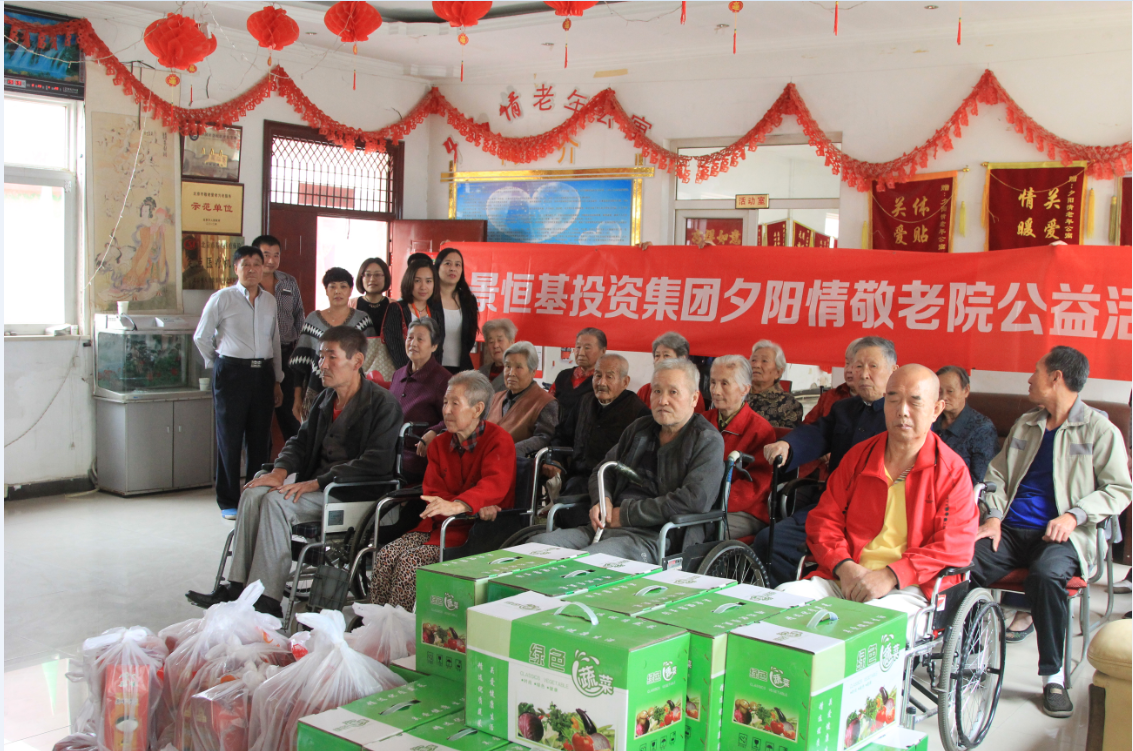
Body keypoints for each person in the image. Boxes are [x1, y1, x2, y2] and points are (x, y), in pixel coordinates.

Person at [187, 327, 403, 616]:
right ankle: (237, 587)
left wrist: (316, 483)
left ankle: (266, 601)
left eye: (331, 357)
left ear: (357, 361)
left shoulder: (382, 404)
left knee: (277, 503)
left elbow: (376, 462)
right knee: (253, 492)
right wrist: (280, 471)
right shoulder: (326, 400)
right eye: (320, 357)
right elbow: (300, 442)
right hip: (319, 489)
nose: (322, 365)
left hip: (353, 494)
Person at [968, 346, 1132, 718]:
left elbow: (1120, 489)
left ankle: (1053, 677)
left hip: (1065, 536)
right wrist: (993, 517)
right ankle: (967, 650)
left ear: (1056, 377)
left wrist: (1075, 515)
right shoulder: (1027, 424)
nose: (1030, 379)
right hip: (1010, 530)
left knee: (1045, 576)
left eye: (1036, 371)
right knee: (964, 562)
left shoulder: (1099, 429)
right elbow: (997, 475)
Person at [778, 365, 979, 645]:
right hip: (846, 578)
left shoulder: (951, 472)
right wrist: (844, 567)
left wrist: (891, 575)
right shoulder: (859, 457)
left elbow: (953, 547)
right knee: (780, 604)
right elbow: (824, 520)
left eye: (915, 402)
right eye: (893, 399)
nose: (902, 411)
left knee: (864, 631)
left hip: (911, 589)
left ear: (936, 409)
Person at [529, 359, 725, 562]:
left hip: (657, 537)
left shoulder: (706, 440)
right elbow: (602, 470)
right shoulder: (639, 429)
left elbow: (693, 500)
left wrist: (625, 515)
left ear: (694, 398)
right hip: (605, 528)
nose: (662, 400)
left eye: (673, 392)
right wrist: (602, 499)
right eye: (657, 391)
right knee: (534, 547)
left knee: (588, 562)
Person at [369, 371, 516, 611]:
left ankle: (403, 628)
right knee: (386, 556)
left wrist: (461, 506)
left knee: (409, 564)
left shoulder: (499, 440)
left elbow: (494, 485)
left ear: (477, 409)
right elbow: (433, 491)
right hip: (437, 525)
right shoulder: (439, 443)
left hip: (476, 530)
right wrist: (461, 505)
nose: (446, 410)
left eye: (454, 404)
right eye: (445, 402)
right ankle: (376, 623)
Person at [757, 336, 898, 586]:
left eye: (873, 366)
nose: (864, 374)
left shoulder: (903, 416)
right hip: (833, 508)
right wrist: (788, 445)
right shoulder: (844, 409)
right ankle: (784, 598)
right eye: (858, 366)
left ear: (893, 370)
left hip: (880, 515)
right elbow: (816, 433)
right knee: (770, 540)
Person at [193, 246, 284, 516]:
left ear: (263, 267)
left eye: (257, 263)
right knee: (230, 439)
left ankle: (254, 496)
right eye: (246, 264)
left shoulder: (269, 301)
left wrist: (277, 379)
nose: (252, 269)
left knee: (260, 439)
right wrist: (219, 362)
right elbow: (201, 336)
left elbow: (275, 341)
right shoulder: (222, 298)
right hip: (231, 373)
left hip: (263, 373)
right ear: (236, 268)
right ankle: (229, 501)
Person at [550, 353, 651, 496]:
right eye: (597, 375)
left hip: (612, 486)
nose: (601, 383)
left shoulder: (638, 413)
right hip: (576, 478)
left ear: (625, 382)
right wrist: (555, 459)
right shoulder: (584, 402)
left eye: (609, 377)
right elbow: (563, 435)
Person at [703, 355, 776, 539]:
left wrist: (711, 500)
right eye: (713, 382)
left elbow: (755, 485)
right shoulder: (701, 421)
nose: (715, 390)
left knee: (697, 531)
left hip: (743, 510)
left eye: (724, 383)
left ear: (745, 388)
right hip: (701, 502)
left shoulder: (760, 430)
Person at [290, 267, 375, 421]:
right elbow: (300, 366)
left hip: (353, 393)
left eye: (343, 286)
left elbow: (371, 360)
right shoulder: (313, 320)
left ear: (350, 290)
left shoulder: (362, 320)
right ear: (326, 290)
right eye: (332, 287)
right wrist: (297, 398)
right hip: (317, 392)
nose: (338, 291)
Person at [254, 235, 305, 443]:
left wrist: (299, 349)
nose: (271, 260)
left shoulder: (288, 281)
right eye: (266, 255)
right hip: (259, 357)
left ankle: (295, 458)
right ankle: (261, 460)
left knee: (290, 413)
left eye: (276, 255)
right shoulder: (249, 285)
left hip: (286, 354)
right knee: (259, 415)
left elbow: (299, 315)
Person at [389, 318, 452, 483]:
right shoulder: (398, 374)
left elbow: (453, 418)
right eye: (410, 338)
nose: (413, 343)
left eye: (420, 339)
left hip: (416, 457)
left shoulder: (444, 380)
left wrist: (434, 431)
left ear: (434, 346)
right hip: (389, 451)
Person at [797, 339, 860, 480]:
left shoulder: (881, 404)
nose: (849, 370)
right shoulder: (830, 396)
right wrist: (821, 449)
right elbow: (808, 427)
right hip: (815, 468)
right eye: (847, 364)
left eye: (857, 365)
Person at [486, 341, 559, 458]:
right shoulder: (495, 398)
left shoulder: (546, 403)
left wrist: (509, 450)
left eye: (518, 367)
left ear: (533, 371)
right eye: (508, 366)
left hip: (516, 462)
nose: (511, 373)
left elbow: (544, 438)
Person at [932, 366, 998, 485]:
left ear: (966, 390)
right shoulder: (930, 420)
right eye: (939, 391)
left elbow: (979, 480)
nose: (943, 397)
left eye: (950, 391)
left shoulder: (982, 429)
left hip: (960, 491)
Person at [384, 257, 445, 371]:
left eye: (428, 281)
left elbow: (438, 350)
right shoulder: (397, 309)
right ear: (409, 281)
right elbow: (395, 348)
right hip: (404, 375)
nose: (423, 287)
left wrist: (433, 375)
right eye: (417, 281)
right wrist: (412, 375)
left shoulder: (435, 313)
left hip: (429, 376)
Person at [432, 248, 481, 374]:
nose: (453, 268)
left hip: (461, 369)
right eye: (448, 263)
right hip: (432, 367)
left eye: (458, 265)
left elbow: (470, 336)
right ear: (437, 267)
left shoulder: (468, 299)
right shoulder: (429, 299)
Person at [635, 332, 708, 414]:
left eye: (666, 355)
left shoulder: (690, 392)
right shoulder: (644, 390)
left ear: (682, 359)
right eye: (657, 355)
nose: (660, 360)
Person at [551, 328, 607, 418]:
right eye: (578, 347)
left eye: (587, 348)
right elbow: (548, 405)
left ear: (603, 351)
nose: (581, 353)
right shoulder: (563, 375)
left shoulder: (605, 381)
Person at [747, 340, 804, 428]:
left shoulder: (790, 404)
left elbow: (786, 435)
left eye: (764, 361)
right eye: (753, 360)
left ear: (778, 372)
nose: (756, 365)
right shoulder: (736, 395)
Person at [351, 257, 391, 333]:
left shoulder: (395, 305)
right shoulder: (350, 305)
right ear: (361, 277)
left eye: (377, 275)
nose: (372, 279)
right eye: (368, 275)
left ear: (386, 278)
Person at [478, 318, 517, 392]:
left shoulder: (518, 372)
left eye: (500, 340)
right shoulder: (481, 372)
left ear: (511, 342)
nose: (495, 345)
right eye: (491, 341)